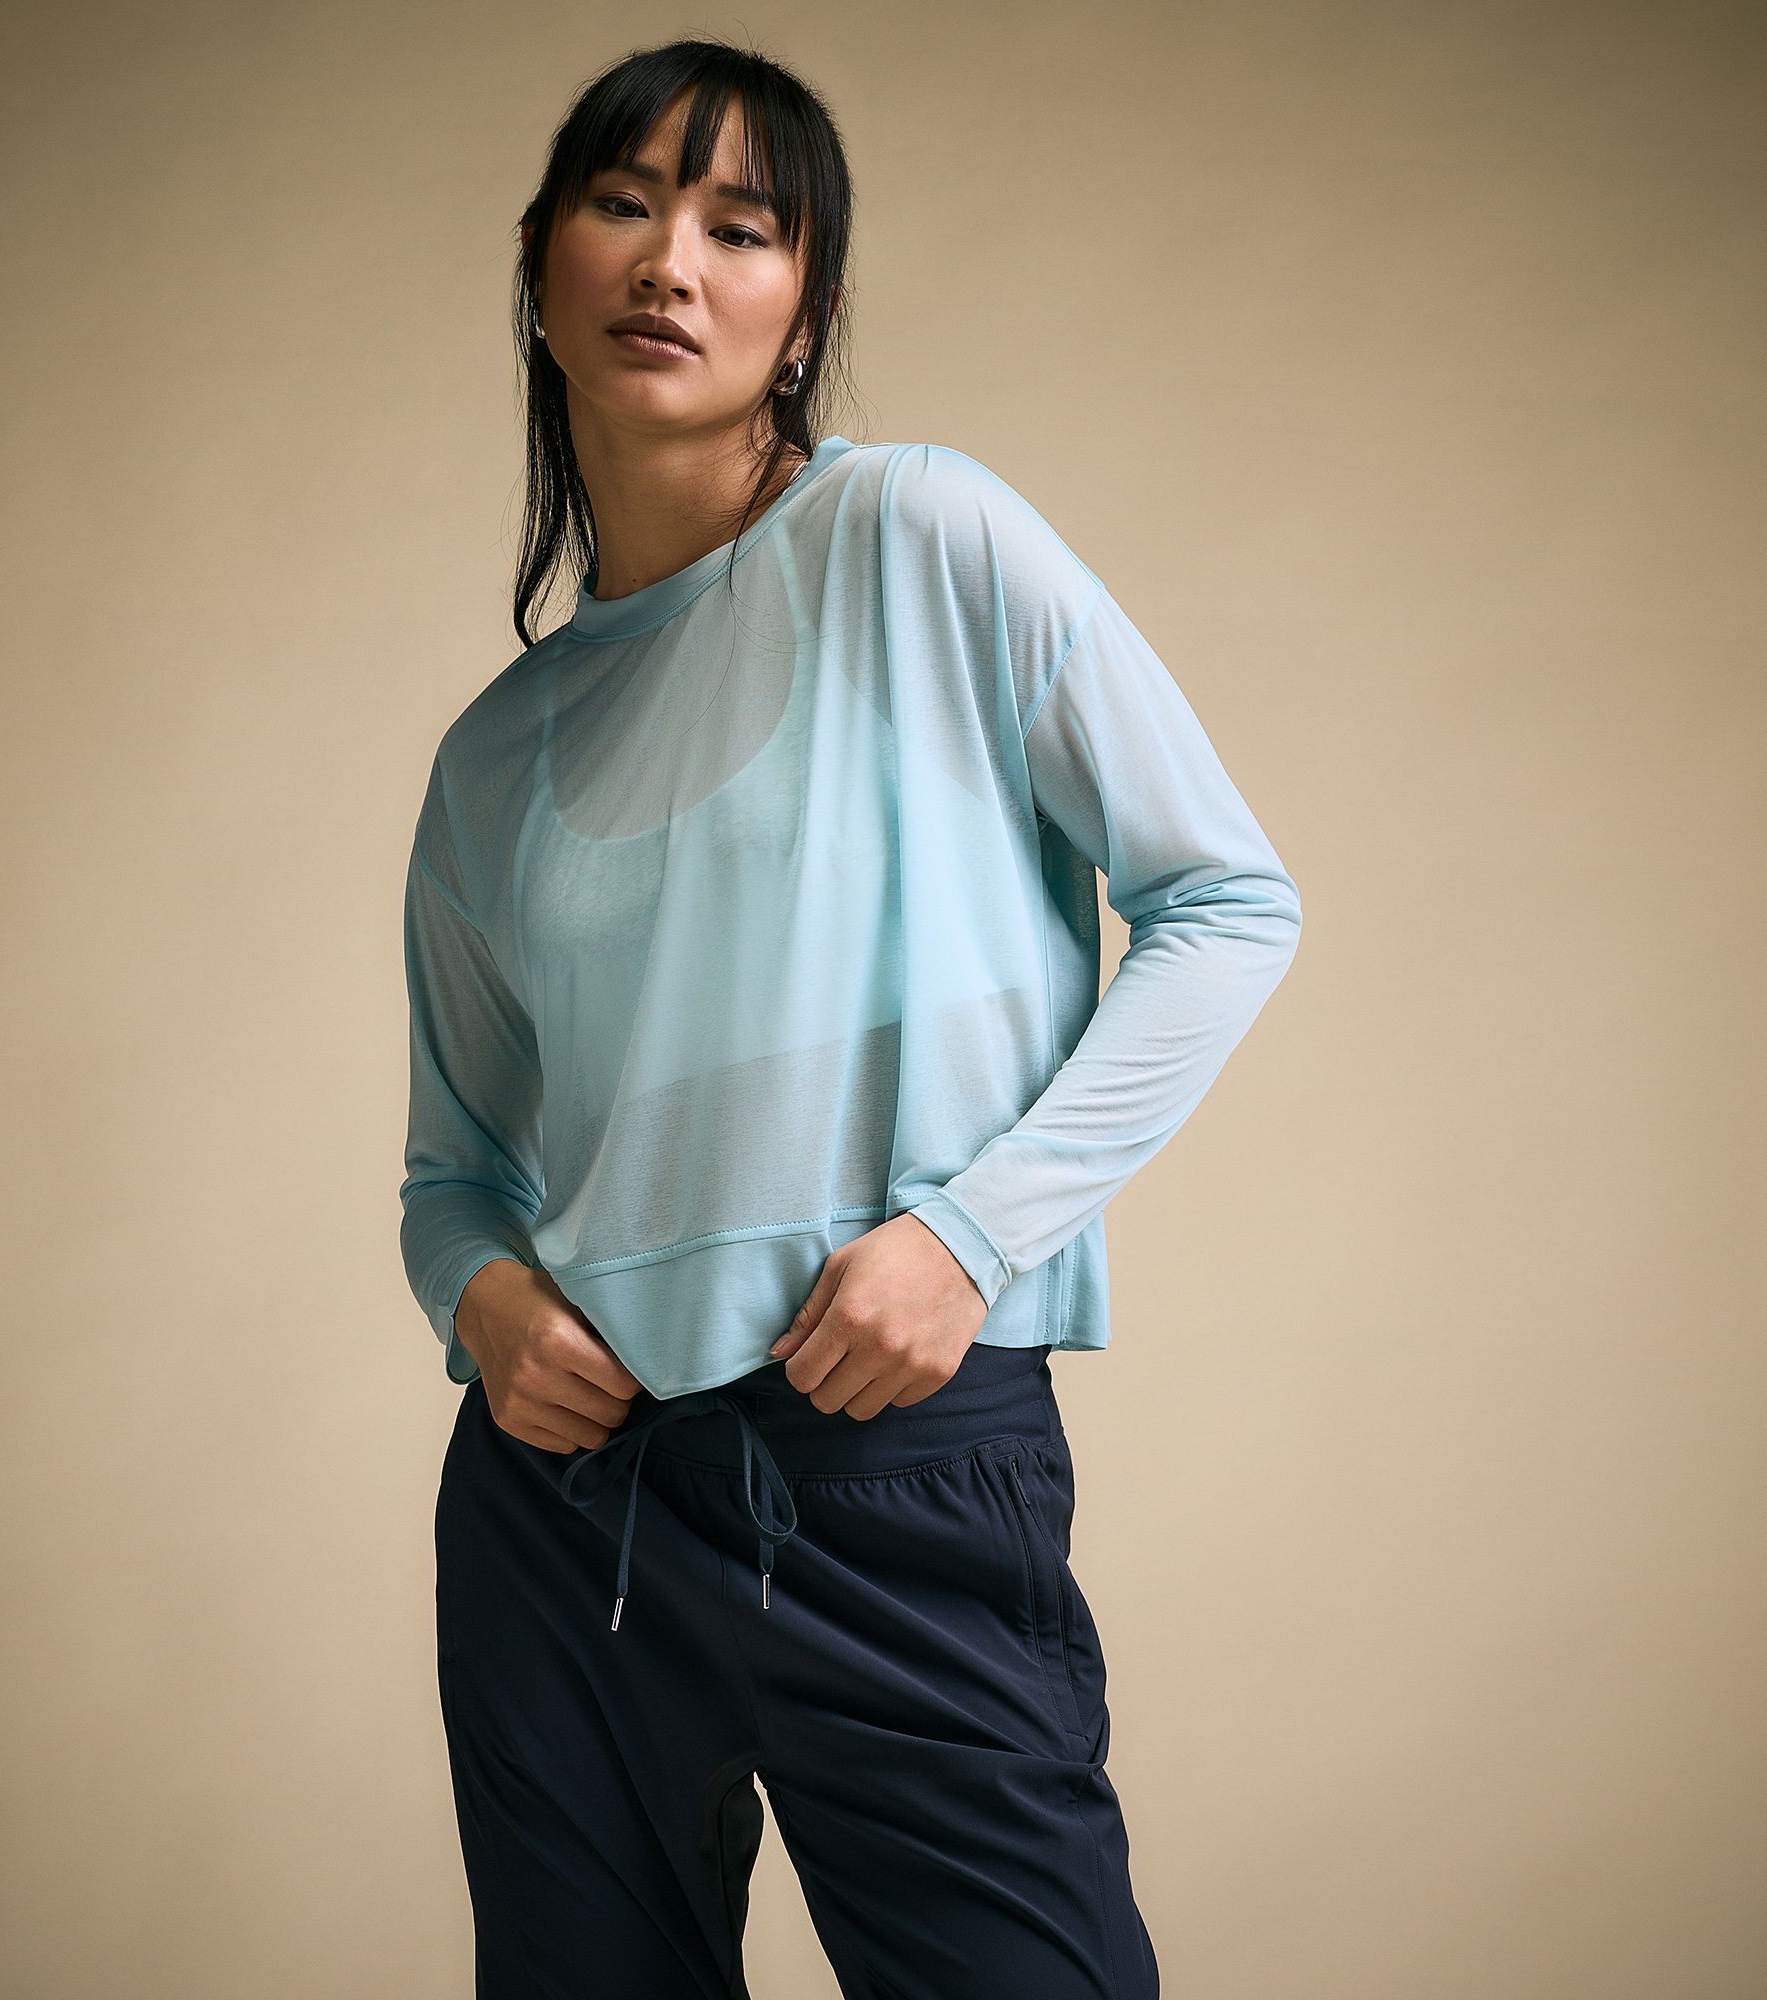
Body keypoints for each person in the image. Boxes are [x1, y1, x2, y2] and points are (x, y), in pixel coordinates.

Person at [399, 37, 1301, 2000]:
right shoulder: (492, 758)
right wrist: (483, 1303)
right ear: (542, 270)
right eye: (624, 205)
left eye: (742, 227)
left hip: (887, 1454)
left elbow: (1228, 902)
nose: (672, 260)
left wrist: (973, 1237)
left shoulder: (922, 541)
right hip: (569, 1511)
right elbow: (452, 1174)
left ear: (803, 319)